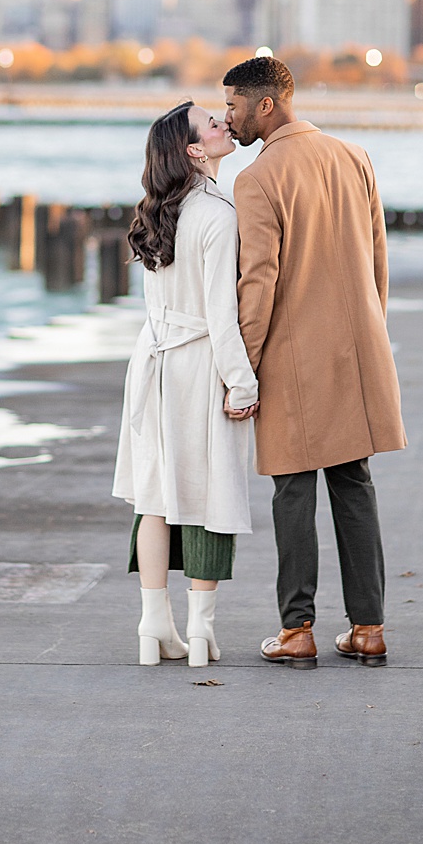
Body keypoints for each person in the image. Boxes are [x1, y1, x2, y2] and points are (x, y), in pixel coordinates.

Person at [222, 55, 406, 669]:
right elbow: (378, 261)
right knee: (354, 482)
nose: (229, 118)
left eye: (233, 106)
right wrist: (369, 333)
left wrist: (241, 368)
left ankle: (297, 629)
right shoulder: (355, 157)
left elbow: (258, 282)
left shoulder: (257, 178)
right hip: (358, 352)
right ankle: (369, 628)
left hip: (292, 358)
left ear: (265, 104)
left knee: (293, 490)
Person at [113, 101, 258, 667]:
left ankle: (154, 627)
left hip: (151, 361)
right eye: (212, 123)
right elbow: (222, 317)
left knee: (153, 497)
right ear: (195, 150)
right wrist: (242, 384)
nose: (225, 123)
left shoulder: (154, 210)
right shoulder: (218, 214)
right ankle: (200, 633)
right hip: (198, 364)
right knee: (205, 497)